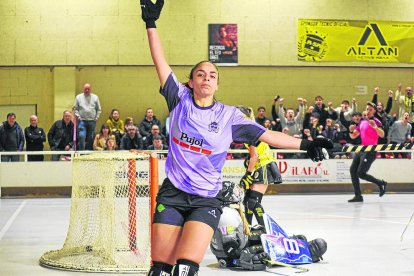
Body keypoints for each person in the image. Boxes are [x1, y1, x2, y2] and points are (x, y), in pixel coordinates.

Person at [140, 2, 332, 275]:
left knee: (185, 270)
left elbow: (268, 135)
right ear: (191, 81)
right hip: (172, 195)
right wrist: (150, 23)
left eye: (212, 76)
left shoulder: (230, 117)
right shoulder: (178, 99)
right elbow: (159, 61)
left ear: (217, 84)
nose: (206, 78)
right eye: (200, 74)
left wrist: (307, 144)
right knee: (159, 270)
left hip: (206, 200)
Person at [210, 181, 327, 271]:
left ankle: (289, 242)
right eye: (234, 191)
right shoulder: (226, 215)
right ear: (228, 196)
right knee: (268, 247)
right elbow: (230, 249)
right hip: (232, 257)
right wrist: (246, 259)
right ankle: (301, 252)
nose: (238, 192)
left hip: (238, 245)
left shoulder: (227, 210)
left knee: (263, 231)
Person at [237, 106, 282, 228]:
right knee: (247, 202)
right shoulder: (250, 128)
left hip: (264, 166)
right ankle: (248, 228)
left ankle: (264, 228)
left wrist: (247, 174)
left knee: (253, 201)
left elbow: (254, 156)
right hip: (260, 166)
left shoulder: (249, 131)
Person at [348, 102, 388, 203]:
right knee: (353, 170)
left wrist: (375, 127)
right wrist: (351, 131)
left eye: (370, 109)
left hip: (370, 151)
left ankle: (381, 183)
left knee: (361, 173)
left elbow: (382, 135)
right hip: (361, 150)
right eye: (367, 109)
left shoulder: (376, 121)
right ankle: (358, 196)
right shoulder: (362, 122)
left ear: (374, 111)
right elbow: (353, 136)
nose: (368, 111)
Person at [73, 83, 102, 150]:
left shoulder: (95, 97)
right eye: (85, 89)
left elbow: (99, 109)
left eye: (88, 89)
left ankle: (88, 153)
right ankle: (81, 152)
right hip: (82, 121)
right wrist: (78, 117)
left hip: (92, 121)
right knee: (81, 136)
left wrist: (97, 117)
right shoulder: (78, 97)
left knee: (91, 138)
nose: (87, 90)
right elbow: (75, 109)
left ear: (90, 89)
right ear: (83, 89)